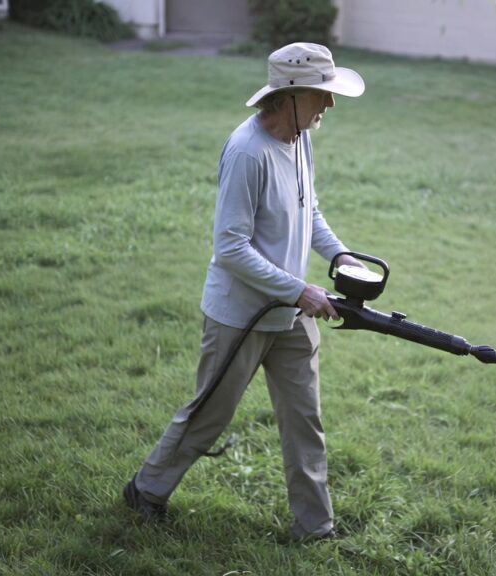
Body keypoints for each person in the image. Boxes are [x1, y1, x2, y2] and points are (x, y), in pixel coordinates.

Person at [123, 42, 365, 541]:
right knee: (209, 414)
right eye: (323, 94)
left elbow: (308, 210)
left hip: (290, 314)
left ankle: (315, 527)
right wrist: (299, 290)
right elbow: (230, 247)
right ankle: (146, 490)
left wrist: (339, 255)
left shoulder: (299, 138)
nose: (331, 105)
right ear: (291, 95)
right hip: (241, 315)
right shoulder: (246, 152)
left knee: (305, 421)